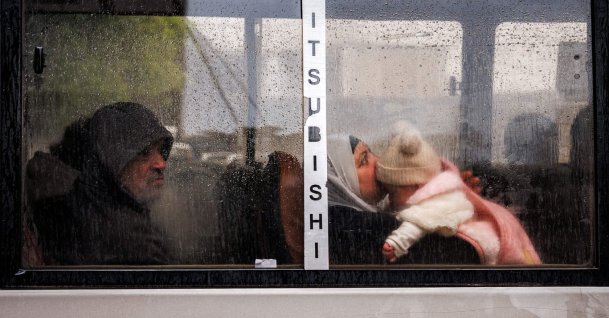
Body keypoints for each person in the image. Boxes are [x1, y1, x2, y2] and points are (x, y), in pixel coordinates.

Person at [377, 121, 541, 265]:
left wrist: (397, 243)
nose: (390, 199)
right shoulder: (438, 190)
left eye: (392, 192)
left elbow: (417, 223)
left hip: (488, 246)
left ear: (415, 185)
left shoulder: (438, 202)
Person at [30, 102, 173, 265]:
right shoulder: (132, 240)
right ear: (110, 161)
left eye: (161, 151)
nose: (162, 163)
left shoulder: (82, 204)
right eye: (144, 152)